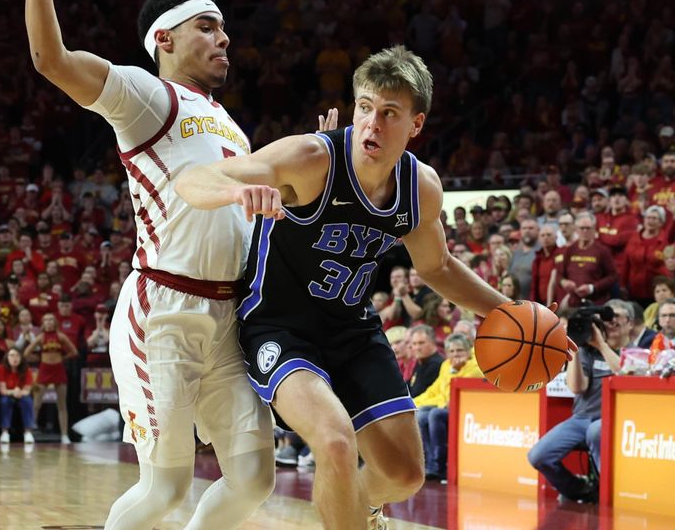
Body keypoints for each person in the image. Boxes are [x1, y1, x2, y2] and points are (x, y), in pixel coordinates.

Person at [175, 46, 573, 529]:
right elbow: (193, 179)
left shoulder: (419, 187)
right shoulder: (311, 158)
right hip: (279, 328)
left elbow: (439, 267)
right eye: (365, 107)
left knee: (405, 475)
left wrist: (511, 310)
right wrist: (235, 191)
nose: (372, 124)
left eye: (389, 114)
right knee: (336, 440)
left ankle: (355, 511)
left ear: (416, 125)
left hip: (352, 330)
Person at [19, 0, 300, 525]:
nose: (223, 38)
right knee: (166, 487)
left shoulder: (229, 125)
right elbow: (53, 61)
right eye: (206, 26)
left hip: (229, 320)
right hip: (165, 313)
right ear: (165, 39)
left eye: (223, 27)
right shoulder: (149, 97)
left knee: (253, 478)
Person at [528, 299, 631, 503]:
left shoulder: (635, 350)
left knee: (596, 431)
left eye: (617, 317)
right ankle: (582, 490)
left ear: (630, 322)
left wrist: (602, 345)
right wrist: (574, 348)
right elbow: (577, 387)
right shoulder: (587, 351)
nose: (611, 322)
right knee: (538, 456)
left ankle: (609, 493)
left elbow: (625, 373)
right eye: (607, 318)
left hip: (615, 418)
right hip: (582, 418)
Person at [413, 332, 482, 482]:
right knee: (421, 414)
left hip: (465, 410)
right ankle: (430, 465)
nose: (455, 354)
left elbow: (455, 391)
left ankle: (441, 465)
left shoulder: (476, 367)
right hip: (446, 406)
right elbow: (435, 389)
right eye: (451, 351)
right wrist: (414, 403)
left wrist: (456, 370)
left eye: (460, 350)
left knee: (435, 414)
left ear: (469, 351)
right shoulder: (446, 365)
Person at [23, 313, 77, 444]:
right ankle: (29, 433)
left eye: (51, 319)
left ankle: (64, 435)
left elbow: (74, 351)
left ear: (55, 322)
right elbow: (26, 353)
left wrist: (62, 359)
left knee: (61, 404)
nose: (48, 322)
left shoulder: (61, 336)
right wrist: (39, 359)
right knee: (36, 403)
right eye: (46, 319)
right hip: (44, 370)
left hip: (59, 370)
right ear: (43, 323)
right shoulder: (40, 337)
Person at [0, 347, 35, 444]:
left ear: (21, 358)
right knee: (4, 401)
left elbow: (27, 390)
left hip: (21, 394)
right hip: (8, 393)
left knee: (27, 401)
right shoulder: (1, 368)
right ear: (7, 357)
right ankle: (5, 432)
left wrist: (19, 392)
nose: (15, 358)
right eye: (12, 355)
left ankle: (28, 432)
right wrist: (13, 391)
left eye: (17, 355)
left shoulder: (26, 370)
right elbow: (2, 390)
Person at [407, 325, 444, 399]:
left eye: (421, 343)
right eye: (414, 344)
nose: (417, 348)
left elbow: (418, 392)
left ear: (433, 343)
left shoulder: (435, 365)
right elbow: (410, 385)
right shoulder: (421, 361)